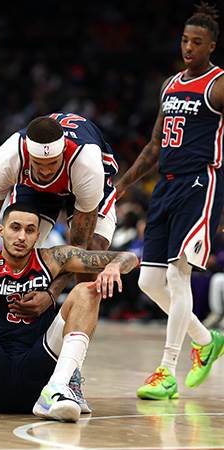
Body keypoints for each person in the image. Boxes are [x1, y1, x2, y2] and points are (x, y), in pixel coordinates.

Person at [0, 192, 138, 422]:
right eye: (15, 228)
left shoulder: (54, 259)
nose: (22, 236)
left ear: (38, 235)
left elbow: (129, 257)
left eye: (30, 230)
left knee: (87, 291)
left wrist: (114, 266)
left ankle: (58, 388)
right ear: (1, 230)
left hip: (38, 372)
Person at [0, 112, 119, 410]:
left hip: (87, 187)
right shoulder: (8, 156)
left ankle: (71, 375)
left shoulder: (86, 163)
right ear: (27, 153)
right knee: (18, 246)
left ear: (62, 152)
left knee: (89, 266)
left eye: (51, 165)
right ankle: (6, 341)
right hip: (35, 193)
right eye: (39, 165)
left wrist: (52, 294)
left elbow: (77, 251)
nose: (45, 171)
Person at [115, 3, 224, 400]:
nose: (189, 47)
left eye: (198, 42)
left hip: (202, 184)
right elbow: (154, 145)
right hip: (165, 186)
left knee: (179, 276)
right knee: (147, 281)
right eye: (184, 40)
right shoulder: (170, 85)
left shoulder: (219, 84)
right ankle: (205, 339)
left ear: (212, 46)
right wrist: (124, 184)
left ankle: (166, 370)